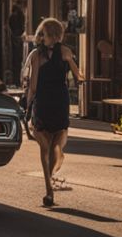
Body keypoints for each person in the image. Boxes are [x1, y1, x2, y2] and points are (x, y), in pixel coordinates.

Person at [24, 17, 83, 208]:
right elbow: (33, 85)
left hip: (51, 102)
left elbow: (33, 86)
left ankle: (49, 186)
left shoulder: (48, 53)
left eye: (54, 36)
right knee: (50, 145)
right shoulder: (50, 53)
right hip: (51, 101)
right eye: (53, 35)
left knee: (50, 146)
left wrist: (27, 104)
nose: (53, 39)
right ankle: (50, 186)